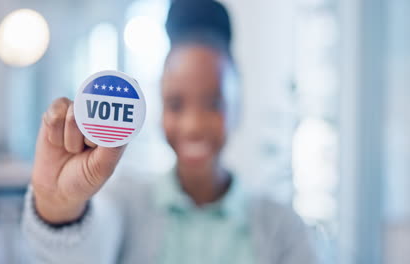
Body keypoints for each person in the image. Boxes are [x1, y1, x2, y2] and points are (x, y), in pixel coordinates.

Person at [22, 0, 317, 263]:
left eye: (213, 103)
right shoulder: (126, 204)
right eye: (176, 104)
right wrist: (58, 206)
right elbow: (80, 254)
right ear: (160, 108)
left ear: (238, 107)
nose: (193, 125)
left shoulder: (282, 228)